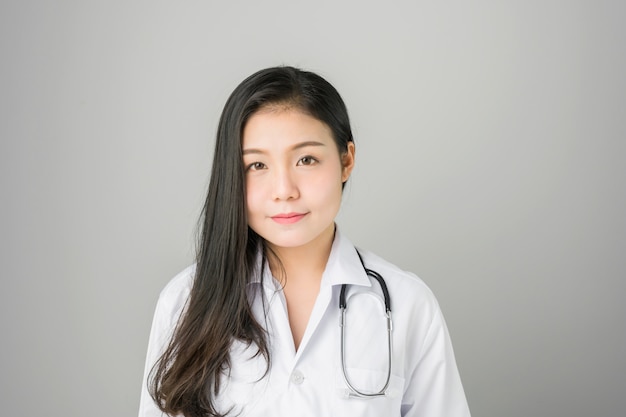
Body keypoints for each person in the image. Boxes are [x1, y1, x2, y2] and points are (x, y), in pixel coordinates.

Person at [138, 66, 471, 417]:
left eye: (306, 159)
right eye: (256, 166)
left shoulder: (408, 304)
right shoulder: (184, 302)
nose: (284, 191)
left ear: (346, 160)